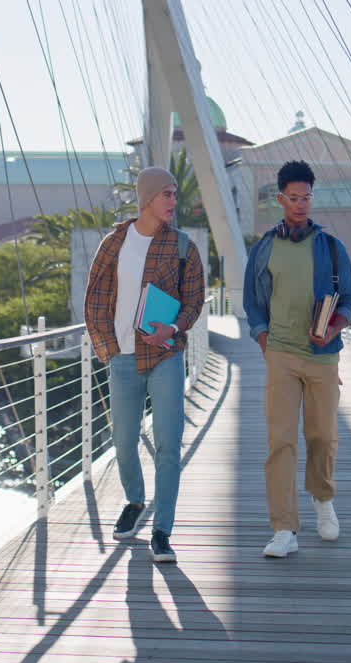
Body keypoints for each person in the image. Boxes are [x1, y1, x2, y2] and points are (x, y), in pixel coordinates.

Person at [84, 166, 204, 563]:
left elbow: (194, 299)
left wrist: (173, 326)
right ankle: (135, 500)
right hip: (121, 356)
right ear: (147, 198)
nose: (173, 201)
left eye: (174, 193)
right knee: (123, 439)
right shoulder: (114, 243)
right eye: (166, 194)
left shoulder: (183, 246)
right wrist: (106, 341)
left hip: (165, 355)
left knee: (169, 444)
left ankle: (162, 530)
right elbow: (95, 295)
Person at [243, 160, 351, 558]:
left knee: (323, 435)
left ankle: (322, 499)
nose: (301, 204)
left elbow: (349, 300)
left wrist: (333, 328)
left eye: (307, 197)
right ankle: (284, 529)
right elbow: (252, 304)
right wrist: (264, 341)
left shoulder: (330, 246)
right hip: (281, 355)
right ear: (280, 199)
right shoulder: (264, 249)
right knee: (280, 441)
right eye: (293, 198)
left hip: (323, 356)